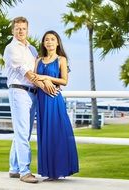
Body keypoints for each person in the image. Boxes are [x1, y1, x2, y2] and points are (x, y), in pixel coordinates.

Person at [3, 16, 48, 183]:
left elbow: (38, 67)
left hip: (33, 93)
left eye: (23, 28)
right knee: (22, 132)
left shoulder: (32, 49)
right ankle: (25, 172)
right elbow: (26, 72)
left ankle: (14, 168)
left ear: (27, 30)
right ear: (12, 30)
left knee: (24, 133)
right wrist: (45, 85)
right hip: (19, 92)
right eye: (17, 29)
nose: (20, 31)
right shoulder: (11, 48)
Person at [33, 30, 79, 181]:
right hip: (41, 101)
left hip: (54, 100)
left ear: (57, 42)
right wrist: (43, 82)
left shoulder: (61, 59)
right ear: (43, 43)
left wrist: (46, 78)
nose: (49, 42)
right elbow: (34, 78)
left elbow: (64, 81)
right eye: (47, 39)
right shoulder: (38, 60)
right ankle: (49, 172)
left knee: (56, 133)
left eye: (52, 39)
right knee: (44, 135)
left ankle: (59, 169)